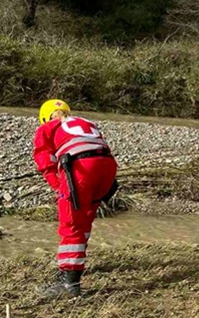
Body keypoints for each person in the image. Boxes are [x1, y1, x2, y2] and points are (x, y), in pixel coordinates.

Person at [33, 99, 118, 298]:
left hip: (81, 168)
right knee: (85, 217)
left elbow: (44, 160)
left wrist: (59, 188)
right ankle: (75, 265)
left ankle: (69, 284)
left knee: (71, 224)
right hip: (106, 167)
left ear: (45, 118)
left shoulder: (47, 127)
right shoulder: (86, 122)